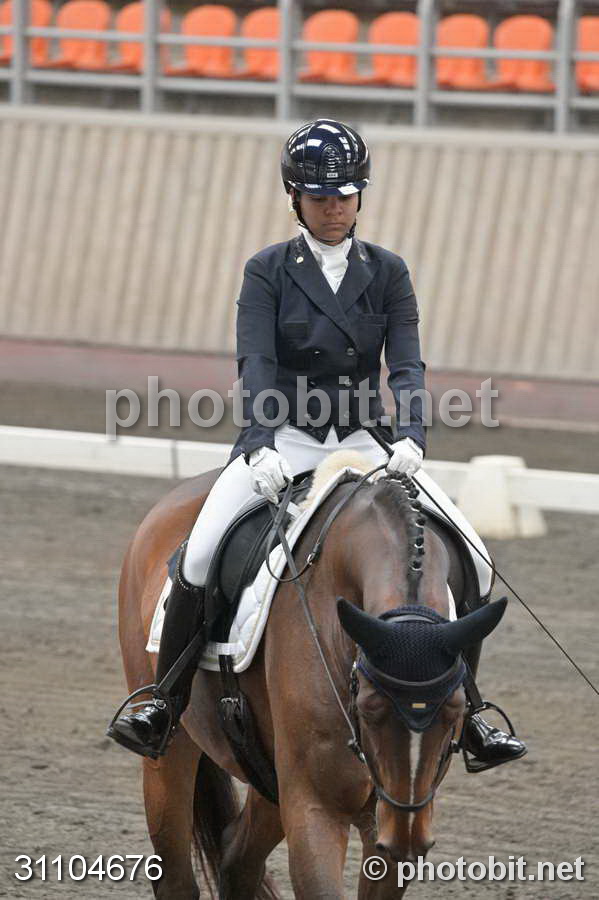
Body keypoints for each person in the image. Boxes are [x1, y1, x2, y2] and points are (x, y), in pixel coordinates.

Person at [108, 119, 526, 768]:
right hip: (287, 439)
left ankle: (468, 710)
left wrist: (411, 436)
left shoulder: (387, 272)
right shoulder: (268, 271)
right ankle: (164, 699)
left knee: (473, 555)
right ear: (295, 199)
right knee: (198, 557)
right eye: (320, 197)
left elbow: (406, 366)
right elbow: (255, 363)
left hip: (366, 441)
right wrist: (261, 444)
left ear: (360, 197)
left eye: (345, 196)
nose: (334, 209)